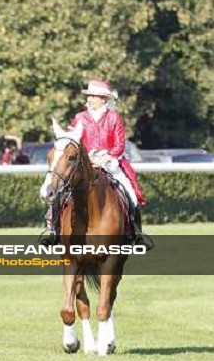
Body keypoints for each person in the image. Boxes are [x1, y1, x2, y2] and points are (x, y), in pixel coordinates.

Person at [41, 79, 151, 248]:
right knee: (61, 189)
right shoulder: (79, 118)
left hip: (110, 162)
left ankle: (136, 234)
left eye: (94, 96)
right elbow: (72, 143)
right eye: (90, 96)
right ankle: (54, 232)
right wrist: (87, 157)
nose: (90, 99)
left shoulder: (114, 118)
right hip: (85, 164)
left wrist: (106, 156)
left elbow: (119, 145)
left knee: (130, 192)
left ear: (103, 99)